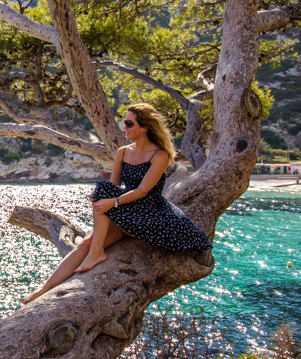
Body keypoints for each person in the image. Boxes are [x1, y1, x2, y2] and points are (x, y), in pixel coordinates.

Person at [21, 103, 211, 305]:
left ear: (144, 127)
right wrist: (106, 203)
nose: (125, 128)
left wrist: (113, 201)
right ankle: (43, 290)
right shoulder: (122, 152)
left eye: (129, 123)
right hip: (126, 211)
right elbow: (114, 186)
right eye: (124, 123)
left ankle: (96, 252)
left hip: (150, 212)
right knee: (86, 240)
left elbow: (143, 191)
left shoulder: (160, 155)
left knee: (102, 196)